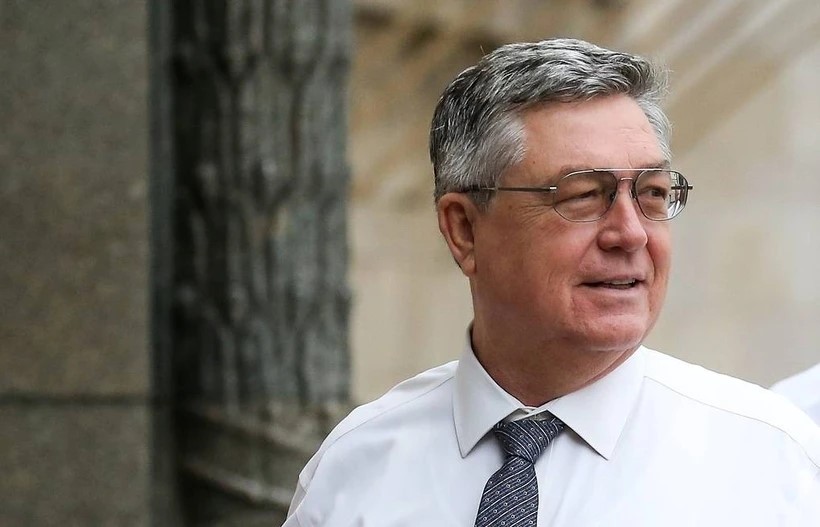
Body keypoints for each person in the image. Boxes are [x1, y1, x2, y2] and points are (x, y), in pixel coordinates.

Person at [284, 38, 820, 526]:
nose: (630, 233)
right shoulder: (356, 469)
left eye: (653, 193)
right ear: (464, 229)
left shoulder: (772, 463)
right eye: (583, 195)